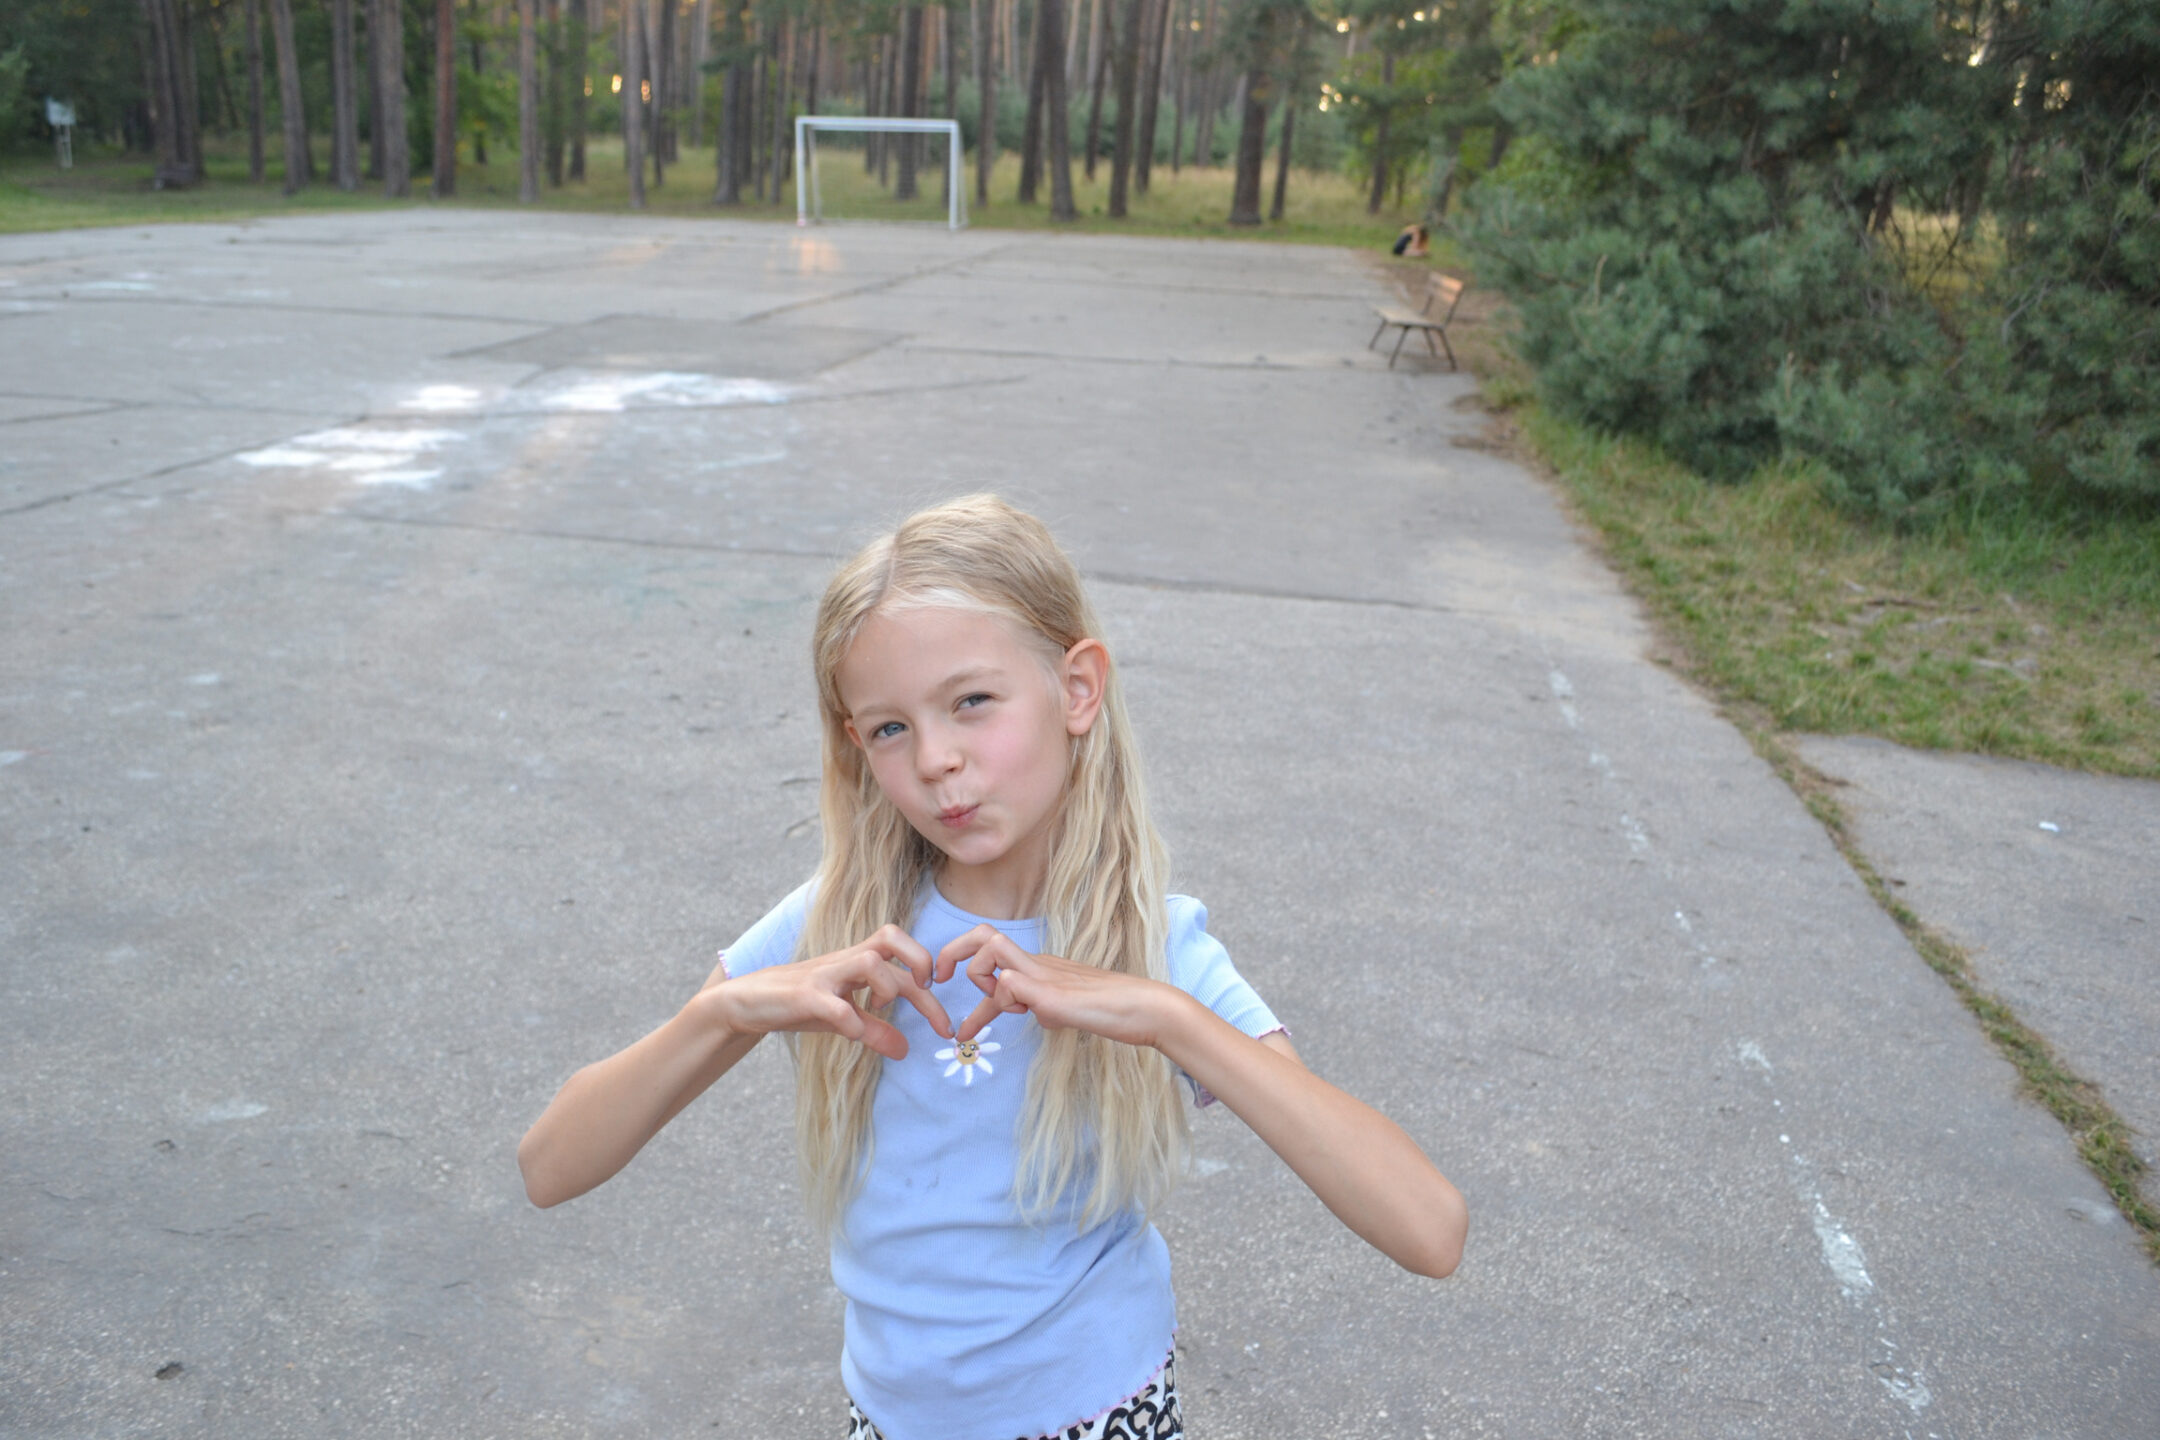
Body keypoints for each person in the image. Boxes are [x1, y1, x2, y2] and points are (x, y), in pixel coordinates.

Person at [517, 495, 1467, 1440]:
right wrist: (720, 1015)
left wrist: (1169, 1016)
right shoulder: (840, 920)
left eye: (971, 702)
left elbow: (1428, 1229)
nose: (935, 760)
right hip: (890, 1421)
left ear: (1077, 689)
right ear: (857, 746)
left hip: (1101, 1413)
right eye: (889, 728)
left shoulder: (1152, 944)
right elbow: (551, 1167)